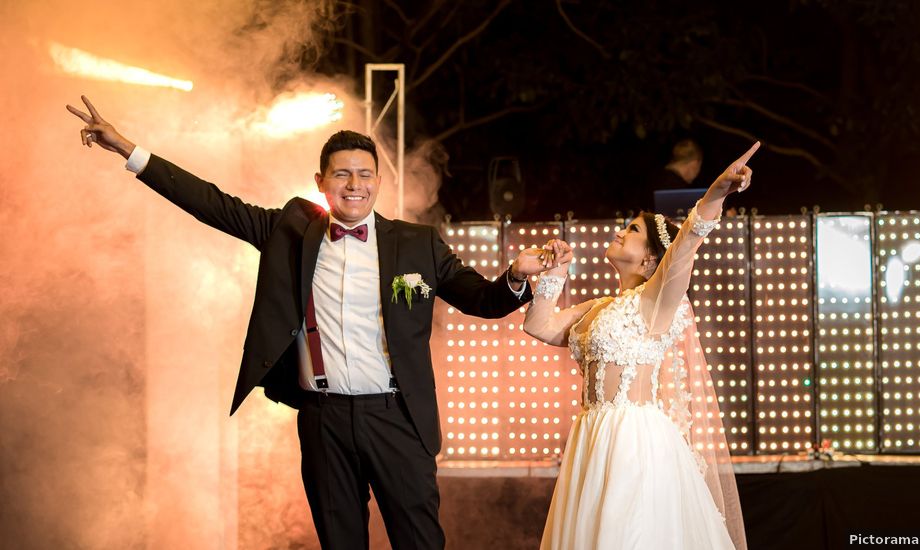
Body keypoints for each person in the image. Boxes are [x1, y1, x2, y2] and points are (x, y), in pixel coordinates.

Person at [66, 96, 565, 550]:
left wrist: (515, 278)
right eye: (343, 174)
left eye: (364, 174)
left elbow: (481, 300)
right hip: (323, 420)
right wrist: (128, 150)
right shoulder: (291, 231)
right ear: (321, 182)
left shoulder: (418, 242)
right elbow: (211, 203)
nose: (355, 185)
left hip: (396, 417)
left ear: (378, 181)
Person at [524, 142, 760, 549]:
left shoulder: (655, 303)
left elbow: (685, 244)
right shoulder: (598, 306)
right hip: (591, 438)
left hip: (633, 439)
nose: (620, 231)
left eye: (632, 229)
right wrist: (555, 272)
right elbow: (540, 326)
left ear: (651, 259)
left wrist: (717, 192)